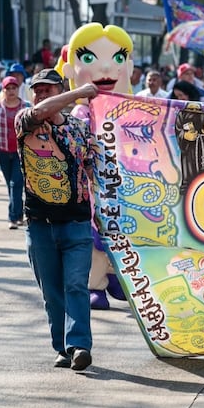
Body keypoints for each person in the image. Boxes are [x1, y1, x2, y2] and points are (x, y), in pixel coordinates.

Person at [18, 68, 98, 371]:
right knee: (51, 292)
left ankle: (80, 345)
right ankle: (62, 347)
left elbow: (92, 170)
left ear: (59, 90)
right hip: (40, 225)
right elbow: (39, 111)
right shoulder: (25, 122)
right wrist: (79, 93)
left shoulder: (79, 128)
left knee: (76, 284)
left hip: (76, 222)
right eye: (37, 90)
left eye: (47, 89)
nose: (41, 95)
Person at [59, 22, 134, 311]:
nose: (107, 67)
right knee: (94, 235)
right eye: (89, 58)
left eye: (117, 59)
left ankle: (116, 278)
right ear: (70, 69)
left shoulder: (130, 109)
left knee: (122, 230)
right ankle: (95, 283)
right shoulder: (80, 112)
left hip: (124, 183)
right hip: (92, 185)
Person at [0, 76, 30, 229]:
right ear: (3, 90)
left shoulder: (26, 107)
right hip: (3, 151)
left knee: (16, 183)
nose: (11, 91)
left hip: (21, 152)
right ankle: (18, 214)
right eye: (8, 88)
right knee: (10, 185)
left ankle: (13, 217)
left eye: (14, 88)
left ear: (18, 89)